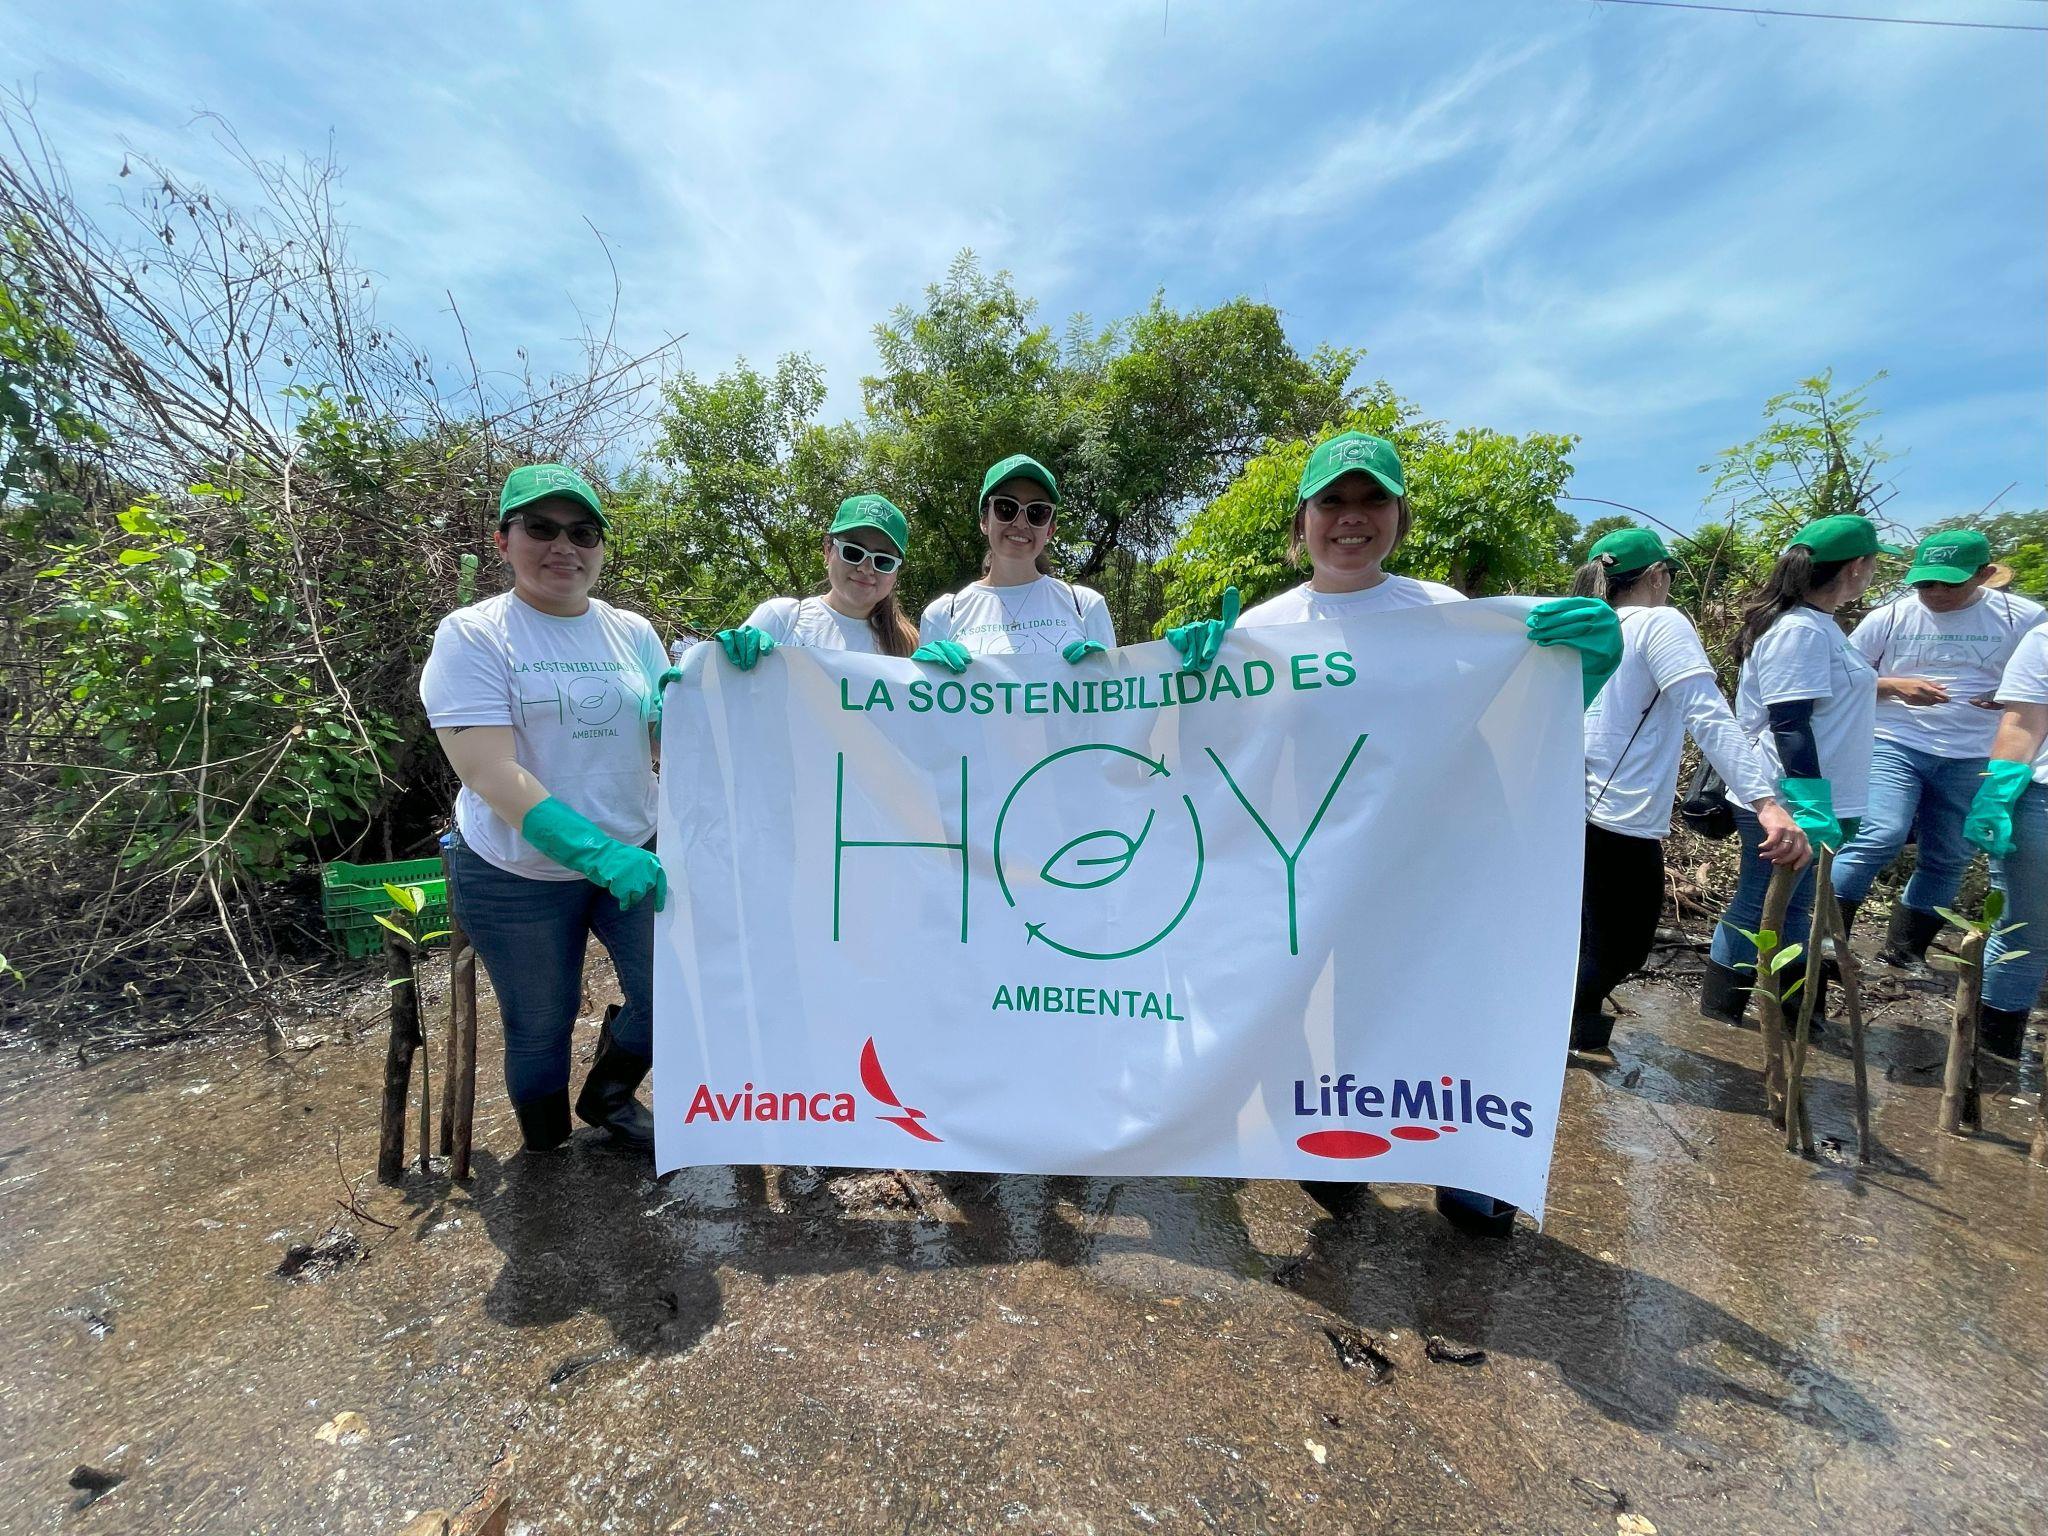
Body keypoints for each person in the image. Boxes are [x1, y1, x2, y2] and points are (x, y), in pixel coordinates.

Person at [1175, 429, 1624, 1236]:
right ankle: (1330, 1150)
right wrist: (1182, 677)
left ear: (1399, 515)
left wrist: (1579, 668)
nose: (1352, 518)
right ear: (1303, 519)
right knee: (1325, 1013)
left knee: (1456, 997)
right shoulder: (1268, 627)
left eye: (1371, 499)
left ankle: (1471, 1164)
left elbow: (1523, 716)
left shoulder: (1449, 616)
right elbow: (1214, 752)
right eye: (1333, 502)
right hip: (1323, 862)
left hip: (1444, 859)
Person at [420, 464, 671, 1154]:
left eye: (582, 532)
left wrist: (724, 687)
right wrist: (595, 852)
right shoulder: (473, 636)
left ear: (600, 548)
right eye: (541, 528)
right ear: (503, 540)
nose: (564, 545)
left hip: (635, 852)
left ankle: (608, 1096)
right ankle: (546, 1155)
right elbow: (490, 771)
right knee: (541, 1020)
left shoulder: (633, 634)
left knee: (673, 997)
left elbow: (671, 740)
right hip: (515, 874)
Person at [1569, 527, 1809, 1055]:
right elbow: (1707, 712)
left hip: (1565, 803)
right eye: (1669, 576)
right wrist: (1766, 802)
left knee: (1583, 932)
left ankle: (1576, 1033)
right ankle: (1562, 1031)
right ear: (1657, 576)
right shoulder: (1660, 621)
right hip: (1618, 814)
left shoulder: (1582, 624)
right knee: (1623, 945)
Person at [1700, 514, 1898, 1027]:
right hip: (1786, 799)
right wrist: (1808, 804)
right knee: (1757, 905)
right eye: (1874, 564)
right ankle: (1722, 1016)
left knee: (1791, 909)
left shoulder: (1820, 627)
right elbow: (1789, 722)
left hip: (1815, 797)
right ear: (1857, 567)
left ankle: (1789, 1019)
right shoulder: (1800, 631)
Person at [1830, 530, 2044, 967]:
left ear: (1984, 575)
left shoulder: (2025, 620)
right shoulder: (1889, 618)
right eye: (1926, 583)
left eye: (1950, 583)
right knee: (1878, 834)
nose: (1936, 593)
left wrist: (2009, 697)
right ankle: (1829, 939)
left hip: (1977, 752)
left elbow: (2037, 687)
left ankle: (1905, 950)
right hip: (1895, 740)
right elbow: (1839, 680)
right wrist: (1894, 686)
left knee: (1950, 854)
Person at [916, 454, 1116, 669]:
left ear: (1050, 529)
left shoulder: (1085, 606)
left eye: (1037, 512)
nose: (1020, 523)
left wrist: (1106, 671)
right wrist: (926, 675)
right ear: (984, 521)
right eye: (1006, 508)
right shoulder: (943, 614)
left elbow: (1118, 697)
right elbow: (927, 699)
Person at [1961, 622, 2048, 1061]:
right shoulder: (2044, 638)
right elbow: (2024, 724)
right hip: (2044, 803)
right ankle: (1991, 1067)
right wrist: (1996, 794)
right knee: (2026, 937)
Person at [711, 493, 919, 668]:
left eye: (883, 561)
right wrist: (710, 668)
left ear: (896, 572)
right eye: (853, 552)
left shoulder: (912, 647)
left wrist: (948, 677)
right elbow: (719, 694)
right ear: (827, 551)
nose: (865, 568)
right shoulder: (782, 620)